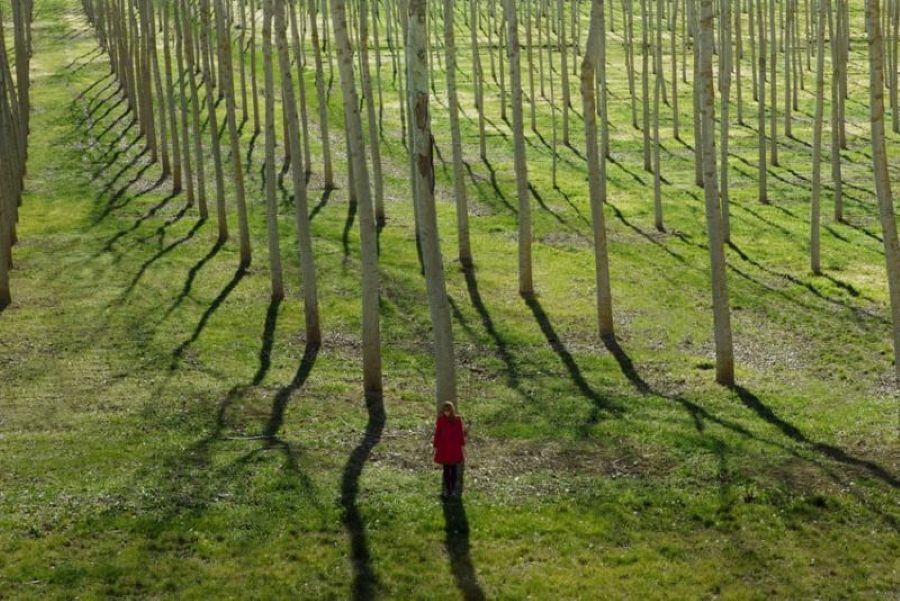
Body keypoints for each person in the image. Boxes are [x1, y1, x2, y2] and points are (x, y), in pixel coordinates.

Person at [432, 401, 465, 498]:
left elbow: (460, 434)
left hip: (454, 448)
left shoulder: (457, 419)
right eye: (445, 411)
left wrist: (463, 447)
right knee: (446, 470)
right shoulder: (441, 420)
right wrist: (435, 446)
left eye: (448, 411)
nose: (446, 413)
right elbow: (437, 434)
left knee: (454, 470)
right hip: (444, 447)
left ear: (452, 410)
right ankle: (447, 490)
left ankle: (453, 490)